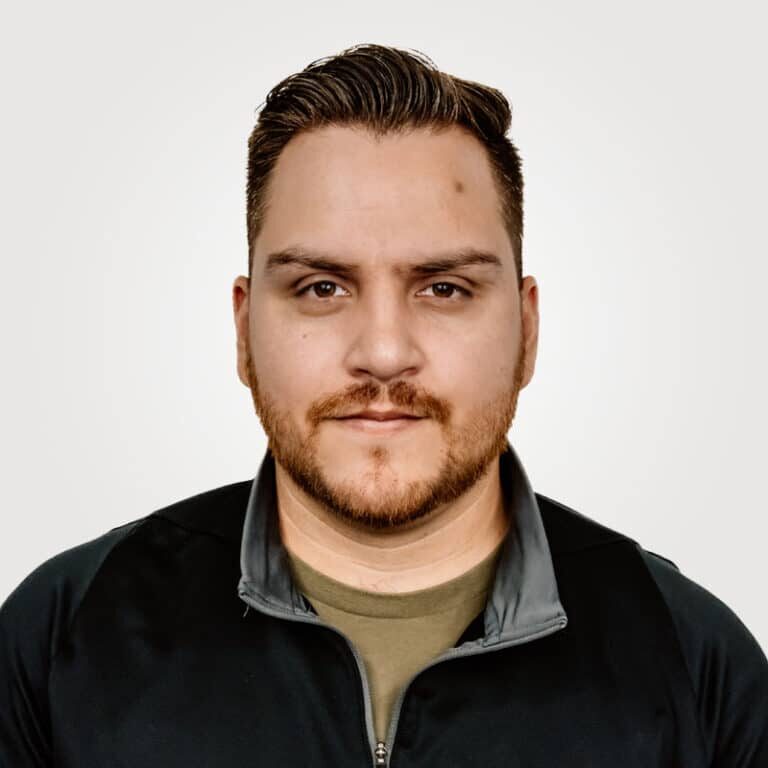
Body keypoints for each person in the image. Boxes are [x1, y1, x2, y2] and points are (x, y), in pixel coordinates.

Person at [1, 43, 766, 767]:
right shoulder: (62, 634)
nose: (384, 351)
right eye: (321, 288)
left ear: (526, 332)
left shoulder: (694, 660)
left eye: (444, 288)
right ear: (244, 330)